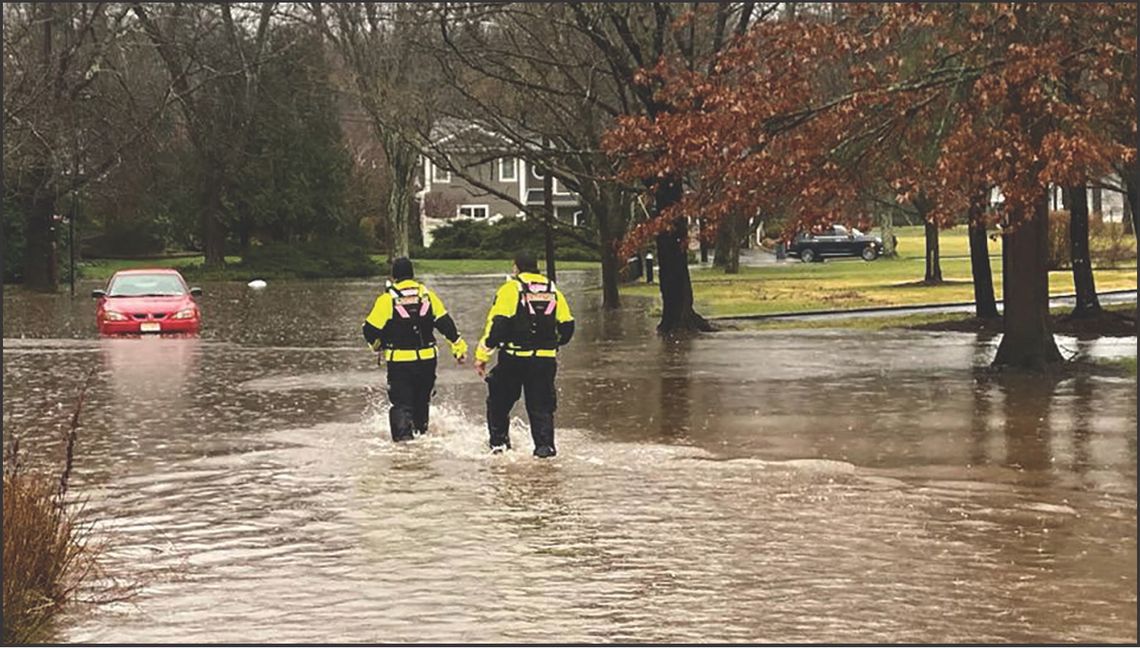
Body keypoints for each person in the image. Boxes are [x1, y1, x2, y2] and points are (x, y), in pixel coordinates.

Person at [474, 251, 574, 458]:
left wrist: (483, 356)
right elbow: (568, 327)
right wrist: (554, 344)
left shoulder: (511, 288)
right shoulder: (552, 289)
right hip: (545, 360)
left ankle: (499, 448)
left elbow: (497, 326)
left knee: (498, 403)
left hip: (514, 358)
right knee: (542, 407)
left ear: (516, 268)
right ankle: (545, 451)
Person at [363, 257, 468, 442]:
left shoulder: (387, 299)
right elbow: (446, 324)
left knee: (402, 405)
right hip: (427, 361)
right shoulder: (428, 296)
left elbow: (369, 330)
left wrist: (377, 345)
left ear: (394, 276)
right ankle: (422, 439)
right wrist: (458, 348)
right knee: (422, 402)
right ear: (412, 275)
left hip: (400, 362)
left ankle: (405, 451)